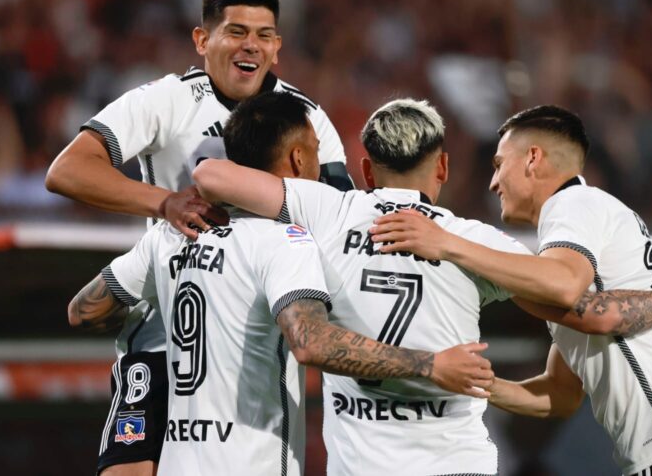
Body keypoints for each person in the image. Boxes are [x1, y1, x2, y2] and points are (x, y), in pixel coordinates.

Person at [192, 98, 652, 475]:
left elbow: (211, 175)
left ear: (367, 169)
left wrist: (338, 200)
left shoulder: (325, 210)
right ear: (443, 168)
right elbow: (582, 309)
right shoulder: (478, 243)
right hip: (458, 463)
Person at [67, 92, 492, 476]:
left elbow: (85, 310)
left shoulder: (171, 234)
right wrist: (430, 365)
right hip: (251, 464)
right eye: (316, 153)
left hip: (179, 461)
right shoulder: (286, 242)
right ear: (297, 161)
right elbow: (311, 342)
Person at [44, 0, 353, 475]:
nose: (251, 44)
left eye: (264, 34)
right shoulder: (167, 99)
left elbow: (340, 220)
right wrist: (165, 202)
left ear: (277, 46)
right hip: (166, 340)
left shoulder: (308, 119)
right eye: (235, 31)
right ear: (202, 40)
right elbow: (67, 170)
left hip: (253, 344)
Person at [370, 105, 652, 476]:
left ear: (533, 159)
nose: (493, 182)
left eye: (500, 164)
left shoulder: (572, 203)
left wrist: (448, 244)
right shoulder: (580, 239)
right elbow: (560, 394)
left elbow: (569, 292)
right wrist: (477, 384)